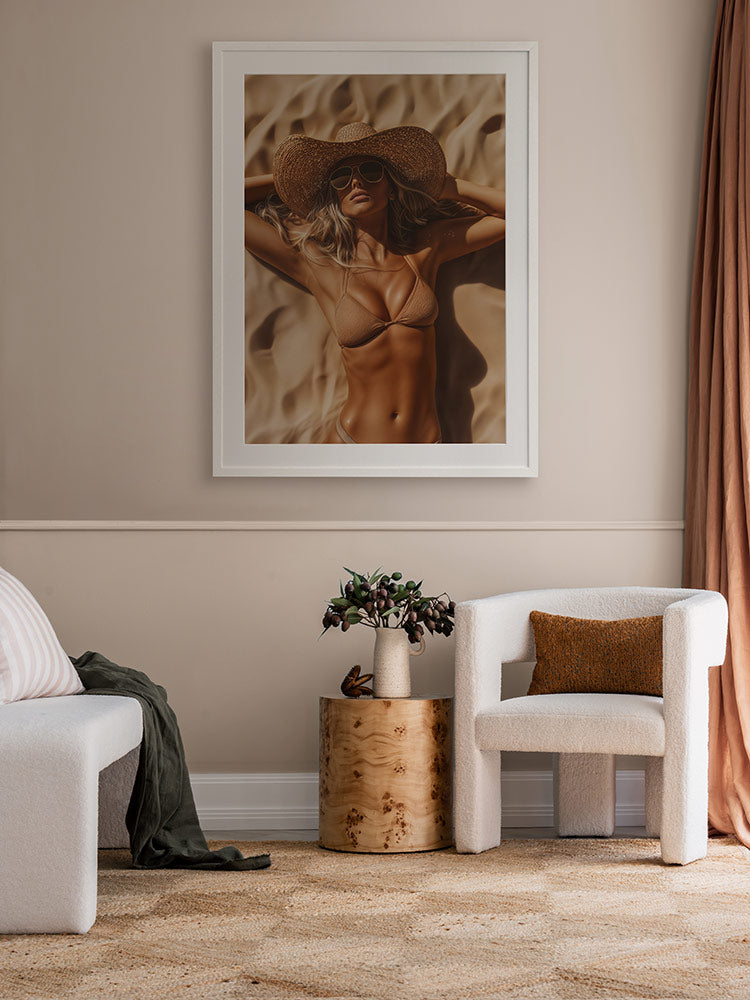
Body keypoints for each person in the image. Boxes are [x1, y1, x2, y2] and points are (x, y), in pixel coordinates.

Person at [244, 122, 505, 444]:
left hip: (427, 444)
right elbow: (222, 203)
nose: (355, 181)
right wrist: (298, 184)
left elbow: (523, 216)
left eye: (370, 171)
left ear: (392, 186)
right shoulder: (317, 263)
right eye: (341, 177)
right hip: (352, 442)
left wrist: (451, 188)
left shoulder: (424, 249)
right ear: (334, 193)